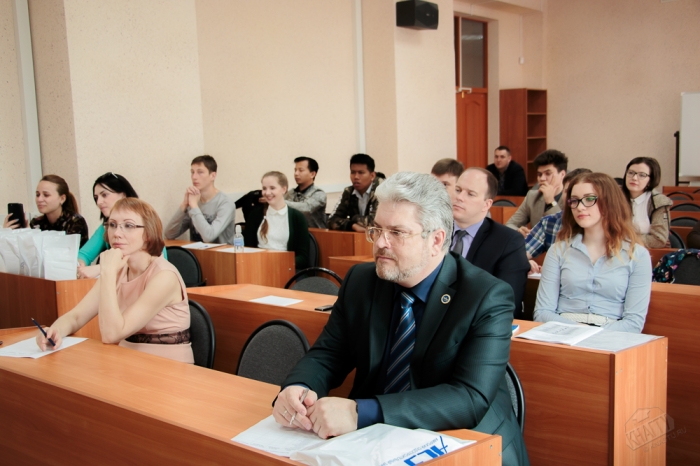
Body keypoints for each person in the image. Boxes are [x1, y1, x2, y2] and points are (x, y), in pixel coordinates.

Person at [273, 172, 529, 466]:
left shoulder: (486, 296)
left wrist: (362, 412)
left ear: (436, 240)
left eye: (397, 232)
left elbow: (469, 397)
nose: (381, 243)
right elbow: (329, 353)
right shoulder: (361, 280)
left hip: (467, 442)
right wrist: (299, 387)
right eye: (377, 229)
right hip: (374, 442)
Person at [36, 198, 193, 363]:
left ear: (147, 234)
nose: (117, 233)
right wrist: (55, 331)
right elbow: (76, 317)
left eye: (128, 226)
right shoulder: (117, 270)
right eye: (112, 225)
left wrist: (108, 273)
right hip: (128, 359)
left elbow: (111, 335)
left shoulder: (164, 276)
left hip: (166, 366)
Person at [534, 172, 652, 333]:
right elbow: (542, 313)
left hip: (611, 335)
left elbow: (634, 323)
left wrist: (593, 334)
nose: (579, 207)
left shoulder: (637, 255)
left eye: (589, 199)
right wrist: (577, 330)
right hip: (562, 331)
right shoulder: (558, 250)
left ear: (609, 202)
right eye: (574, 201)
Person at [451, 168, 529, 318]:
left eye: (470, 194)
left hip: (476, 322)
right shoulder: (434, 231)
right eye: (458, 190)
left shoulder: (508, 241)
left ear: (486, 204)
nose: (459, 197)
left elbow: (506, 301)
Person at [525, 168, 592, 274]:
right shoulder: (550, 222)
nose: (572, 197)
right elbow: (521, 253)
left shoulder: (600, 225)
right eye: (567, 191)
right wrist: (524, 262)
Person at [243, 171, 310, 270]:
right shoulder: (255, 215)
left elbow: (303, 258)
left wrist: (279, 263)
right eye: (264, 188)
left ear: (284, 189)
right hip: (259, 267)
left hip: (286, 269)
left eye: (272, 188)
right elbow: (248, 249)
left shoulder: (297, 217)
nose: (267, 193)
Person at [77, 172, 139, 279]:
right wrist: (80, 266)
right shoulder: (105, 227)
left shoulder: (142, 223)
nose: (98, 202)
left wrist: (101, 268)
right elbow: (83, 254)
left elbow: (143, 263)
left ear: (123, 194)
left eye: (104, 195)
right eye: (96, 197)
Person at [164, 155, 236, 244]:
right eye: (192, 172)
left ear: (213, 176)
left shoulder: (225, 203)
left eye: (200, 172)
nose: (194, 177)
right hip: (196, 252)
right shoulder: (194, 201)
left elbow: (209, 237)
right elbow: (169, 234)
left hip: (219, 252)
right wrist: (184, 205)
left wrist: (194, 206)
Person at [11, 175, 89, 246]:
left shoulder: (75, 222)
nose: (39, 199)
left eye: (46, 195)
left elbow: (62, 252)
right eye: (37, 195)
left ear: (62, 199)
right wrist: (13, 233)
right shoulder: (36, 223)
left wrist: (31, 237)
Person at [506, 149, 568, 237]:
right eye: (539, 174)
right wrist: (518, 231)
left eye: (548, 174)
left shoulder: (571, 198)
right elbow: (509, 225)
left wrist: (551, 202)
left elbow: (563, 231)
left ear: (562, 174)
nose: (542, 178)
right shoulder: (532, 196)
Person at [621, 157, 672, 249]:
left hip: (647, 252)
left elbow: (658, 240)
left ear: (650, 180)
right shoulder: (614, 196)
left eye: (642, 175)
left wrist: (623, 238)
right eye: (631, 173)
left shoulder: (658, 202)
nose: (634, 178)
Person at [328, 153, 382, 232]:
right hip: (358, 237)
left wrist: (354, 218)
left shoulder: (381, 191)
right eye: (353, 172)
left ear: (372, 176)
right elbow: (332, 220)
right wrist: (352, 225)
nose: (356, 177)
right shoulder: (349, 192)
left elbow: (376, 223)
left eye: (361, 173)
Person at [284, 156, 327, 229]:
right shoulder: (290, 193)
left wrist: (280, 202)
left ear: (312, 174)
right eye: (295, 170)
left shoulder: (319, 193)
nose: (296, 173)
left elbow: (306, 208)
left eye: (301, 170)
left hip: (315, 234)